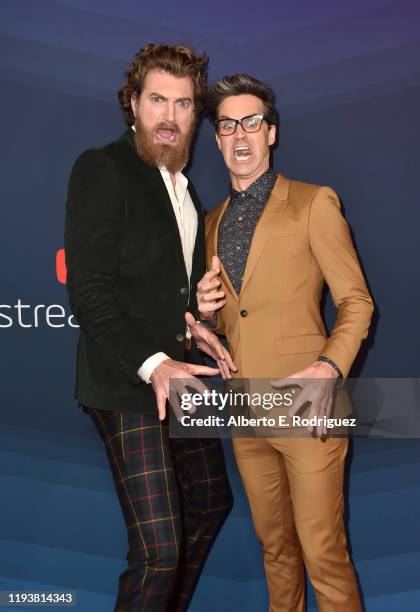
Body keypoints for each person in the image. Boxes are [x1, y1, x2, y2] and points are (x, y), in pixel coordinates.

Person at [64, 44, 235, 612]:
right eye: (157, 99)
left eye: (183, 104)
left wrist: (201, 324)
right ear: (132, 105)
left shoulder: (186, 193)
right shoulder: (103, 168)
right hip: (127, 381)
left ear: (195, 113)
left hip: (179, 374)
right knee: (160, 550)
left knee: (211, 503)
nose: (170, 115)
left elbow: (165, 296)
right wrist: (155, 363)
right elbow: (90, 294)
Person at [197, 73, 374, 611]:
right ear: (218, 138)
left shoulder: (313, 202)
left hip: (307, 405)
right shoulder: (212, 223)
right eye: (228, 125)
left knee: (324, 552)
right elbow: (243, 318)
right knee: (275, 549)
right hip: (246, 410)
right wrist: (206, 323)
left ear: (271, 132)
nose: (240, 134)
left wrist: (329, 366)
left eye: (252, 122)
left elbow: (357, 302)